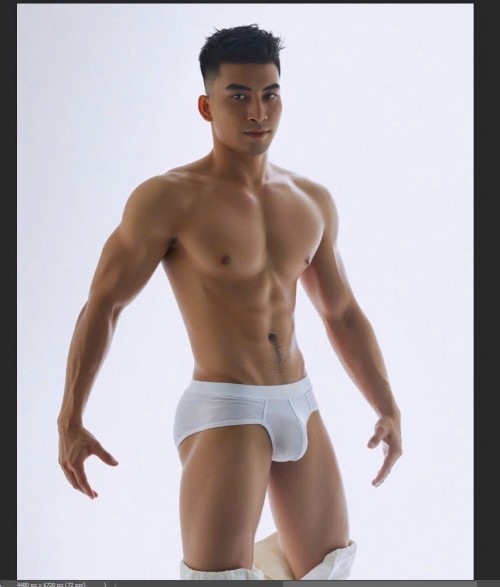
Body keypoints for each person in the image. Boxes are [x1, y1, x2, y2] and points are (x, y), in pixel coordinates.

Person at [57, 23, 402, 581]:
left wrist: (386, 405)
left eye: (269, 95)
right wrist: (70, 417)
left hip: (300, 401)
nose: (257, 112)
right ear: (206, 106)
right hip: (227, 406)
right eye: (238, 96)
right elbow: (104, 304)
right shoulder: (168, 198)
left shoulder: (311, 200)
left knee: (327, 571)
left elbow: (341, 312)